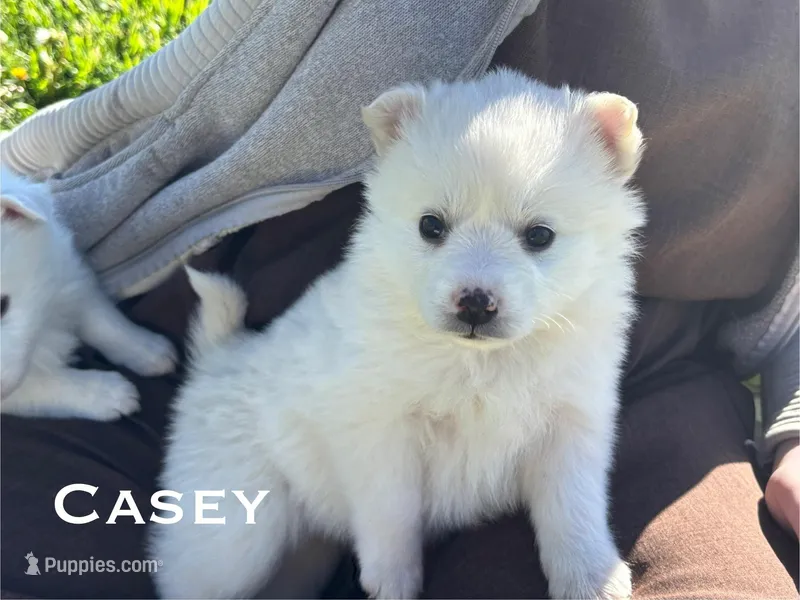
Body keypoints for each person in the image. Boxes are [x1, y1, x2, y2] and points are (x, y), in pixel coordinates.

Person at [1, 0, 797, 598]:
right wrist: (27, 181)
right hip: (232, 388)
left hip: (660, 402)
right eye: (434, 227)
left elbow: (570, 432)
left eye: (538, 238)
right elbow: (170, 92)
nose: (477, 290)